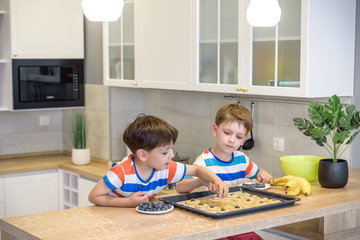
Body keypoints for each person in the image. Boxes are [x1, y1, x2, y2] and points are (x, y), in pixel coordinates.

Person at [88, 114, 229, 207]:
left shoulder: (166, 168)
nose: (172, 155)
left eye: (172, 149)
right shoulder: (121, 172)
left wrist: (217, 181)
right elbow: (94, 196)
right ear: (142, 155)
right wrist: (127, 202)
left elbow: (197, 170)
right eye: (165, 152)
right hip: (112, 218)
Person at [176, 103, 272, 193]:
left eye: (239, 137)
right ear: (215, 130)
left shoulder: (242, 160)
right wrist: (200, 181)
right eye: (227, 133)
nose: (232, 140)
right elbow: (180, 187)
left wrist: (263, 175)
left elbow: (259, 172)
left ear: (243, 140)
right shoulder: (204, 162)